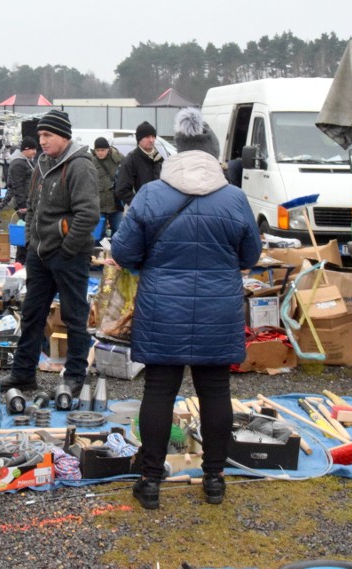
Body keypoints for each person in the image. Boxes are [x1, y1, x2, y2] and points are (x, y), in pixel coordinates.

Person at [111, 107, 262, 510]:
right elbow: (251, 253)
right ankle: (214, 480)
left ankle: (150, 482)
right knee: (216, 392)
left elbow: (124, 252)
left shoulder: (150, 195)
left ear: (175, 150)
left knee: (159, 391)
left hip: (163, 308)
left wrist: (152, 264)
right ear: (212, 153)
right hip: (218, 309)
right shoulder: (234, 198)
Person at [0, 110, 99, 397]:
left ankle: (75, 377)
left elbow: (88, 215)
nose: (42, 141)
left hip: (68, 255)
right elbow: (33, 208)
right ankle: (23, 374)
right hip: (39, 254)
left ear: (63, 136)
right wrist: (30, 241)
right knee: (31, 314)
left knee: (75, 317)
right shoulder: (41, 163)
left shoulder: (80, 166)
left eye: (47, 135)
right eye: (40, 136)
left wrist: (68, 247)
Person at [114, 121, 162, 207]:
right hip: (141, 212)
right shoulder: (131, 160)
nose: (151, 140)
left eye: (153, 136)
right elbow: (121, 189)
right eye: (147, 137)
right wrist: (139, 205)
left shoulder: (159, 158)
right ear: (139, 139)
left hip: (160, 208)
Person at [6, 136, 37, 262]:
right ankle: (21, 259)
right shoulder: (18, 163)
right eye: (32, 149)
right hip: (24, 204)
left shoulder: (26, 161)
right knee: (25, 230)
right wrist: (22, 205)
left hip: (28, 202)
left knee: (26, 229)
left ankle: (23, 258)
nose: (35, 151)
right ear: (25, 149)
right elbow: (17, 185)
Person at [91, 137, 124, 237]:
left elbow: (126, 177)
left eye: (103, 150)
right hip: (99, 205)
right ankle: (98, 252)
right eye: (98, 150)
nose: (100, 153)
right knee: (98, 234)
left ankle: (115, 252)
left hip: (116, 204)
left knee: (119, 233)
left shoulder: (118, 159)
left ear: (108, 149)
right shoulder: (90, 161)